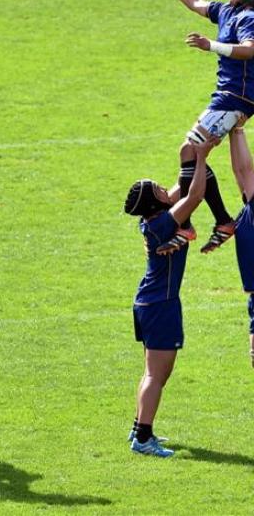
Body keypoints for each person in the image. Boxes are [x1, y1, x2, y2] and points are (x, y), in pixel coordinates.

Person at [143, 0, 254, 255]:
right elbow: (196, 3)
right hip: (225, 95)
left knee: (190, 150)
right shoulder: (227, 11)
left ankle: (188, 224)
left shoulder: (249, 19)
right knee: (190, 151)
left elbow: (249, 50)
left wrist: (211, 46)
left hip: (237, 98)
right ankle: (219, 221)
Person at [124, 140, 212, 457]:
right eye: (158, 189)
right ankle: (143, 438)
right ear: (154, 202)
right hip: (160, 304)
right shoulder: (163, 222)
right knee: (156, 375)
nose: (164, 188)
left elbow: (180, 186)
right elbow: (194, 196)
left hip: (149, 302)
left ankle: (139, 428)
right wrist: (200, 157)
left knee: (154, 373)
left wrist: (191, 158)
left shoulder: (152, 219)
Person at [228, 124, 254, 366]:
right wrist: (236, 130)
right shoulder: (250, 210)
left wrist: (236, 131)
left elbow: (244, 171)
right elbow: (241, 171)